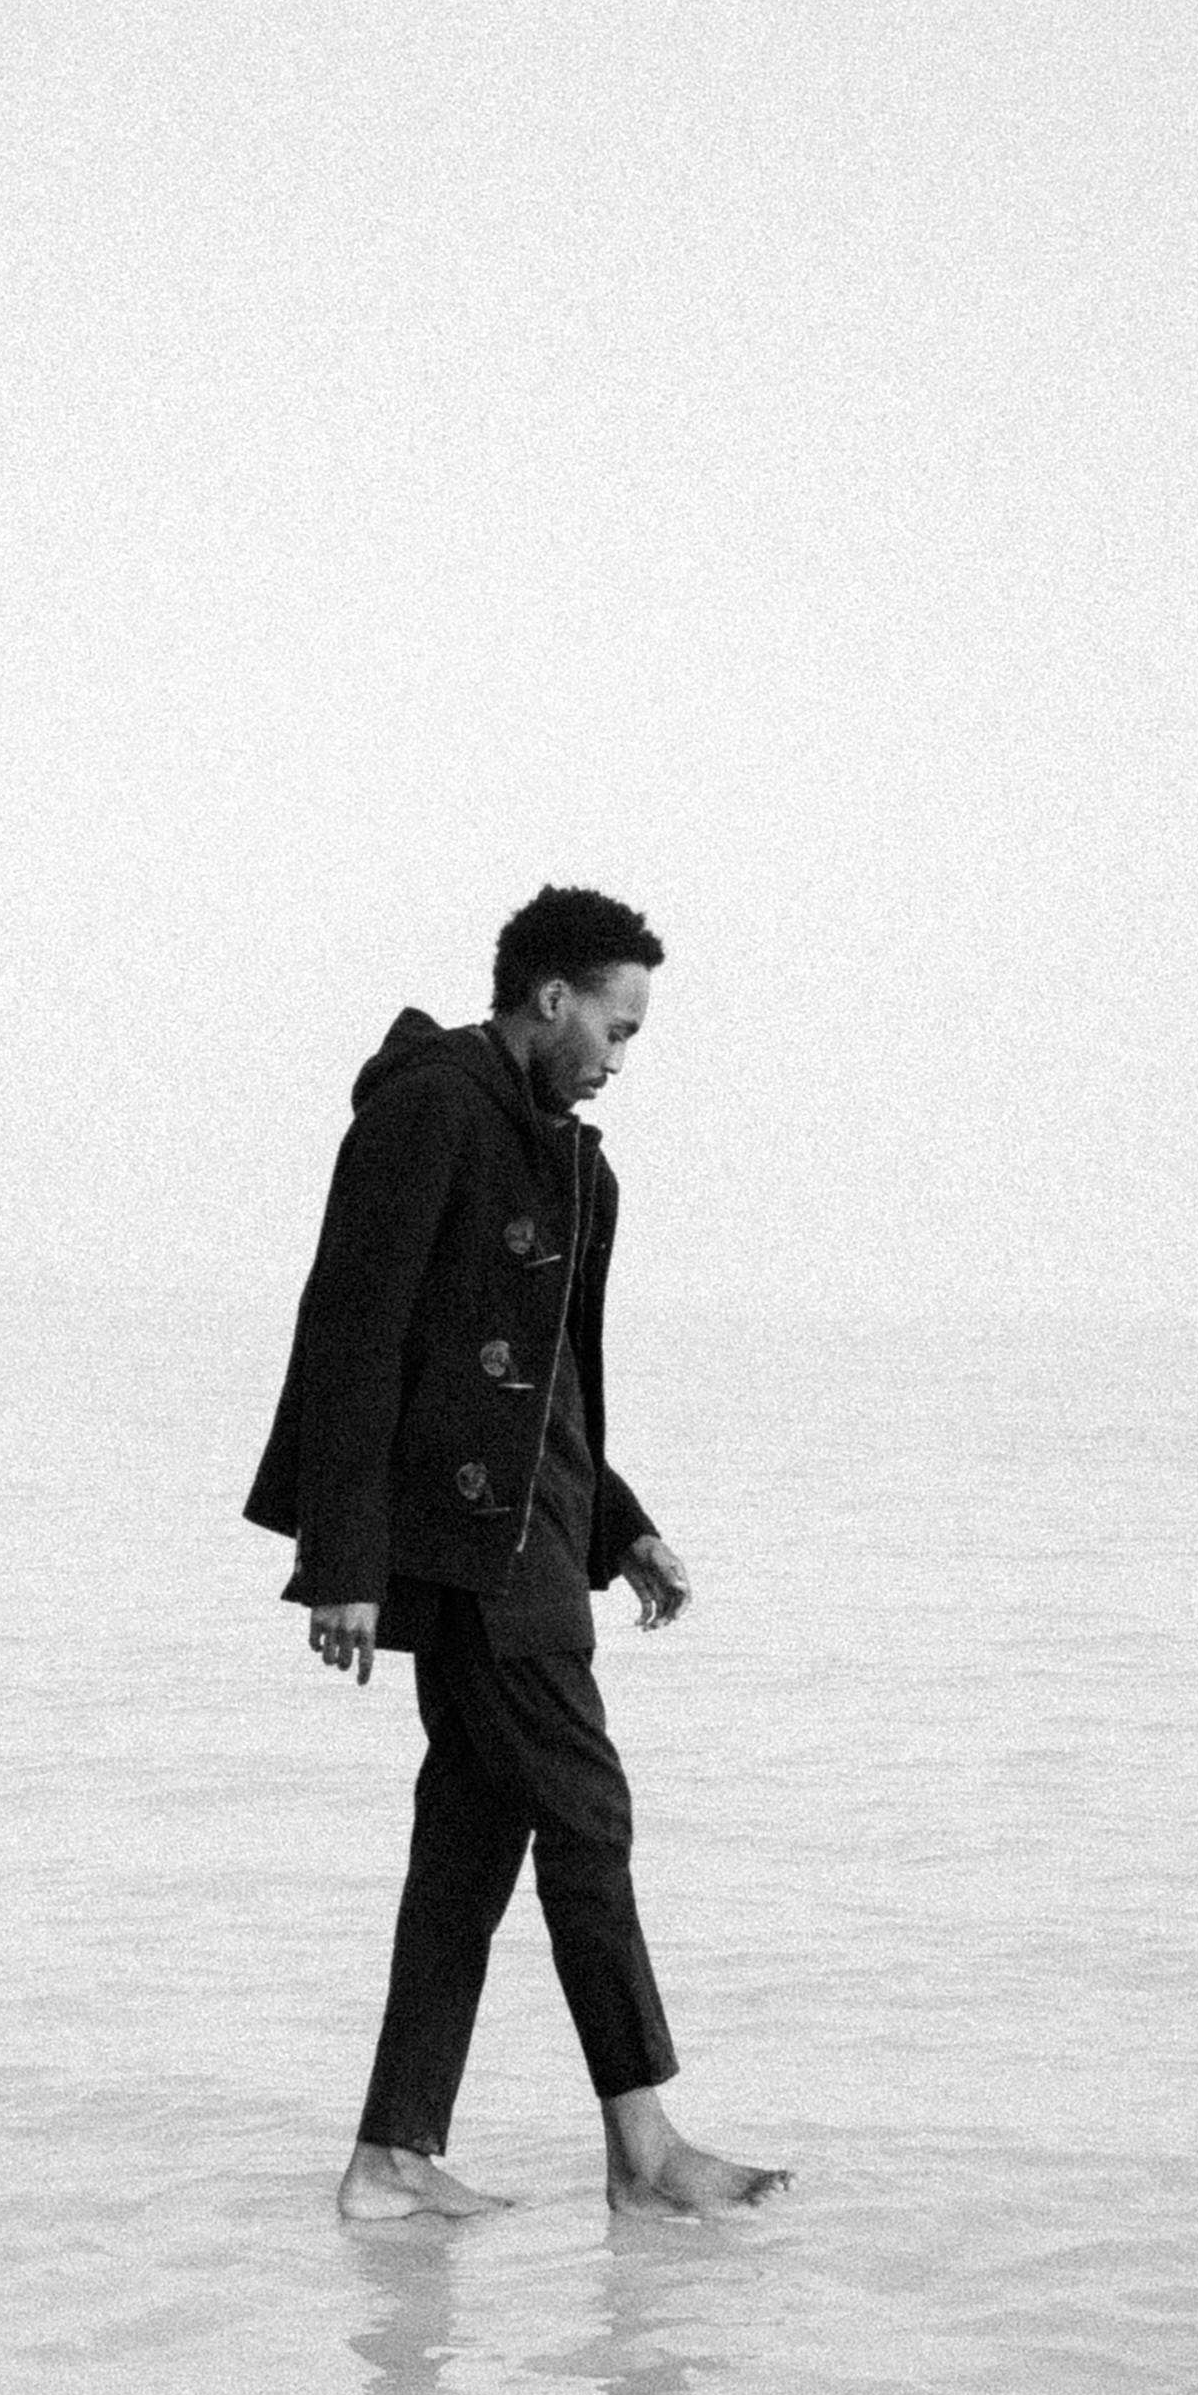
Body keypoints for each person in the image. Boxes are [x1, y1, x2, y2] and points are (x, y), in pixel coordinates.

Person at [246, 883, 791, 2224]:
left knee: (470, 1846)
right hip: (465, 1553)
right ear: (547, 996)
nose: (620, 1057)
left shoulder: (573, 1163)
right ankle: (646, 2147)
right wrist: (344, 1562)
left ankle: (391, 2152)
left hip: (538, 1539)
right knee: (588, 1811)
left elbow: (546, 1393)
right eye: (614, 1025)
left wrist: (623, 1522)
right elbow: (358, 1336)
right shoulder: (429, 1109)